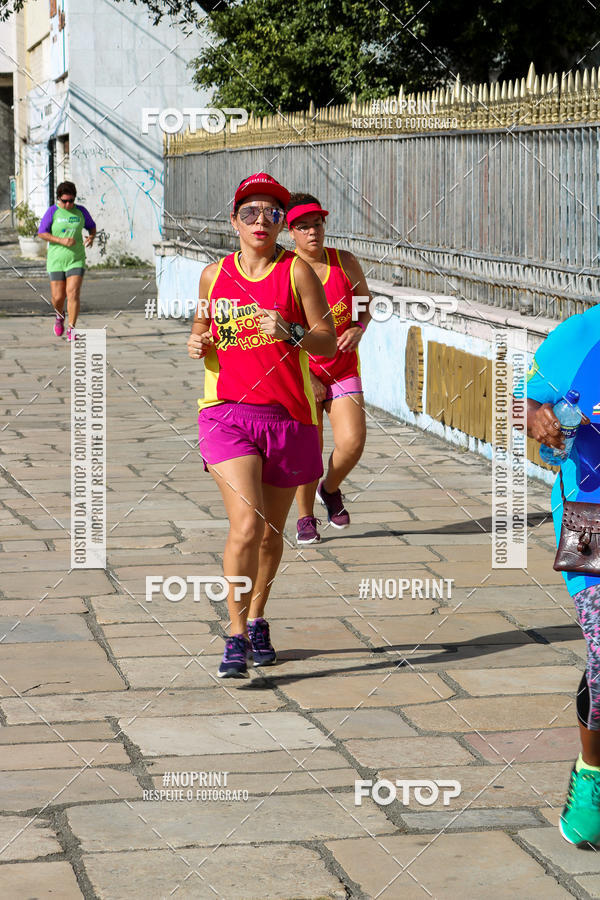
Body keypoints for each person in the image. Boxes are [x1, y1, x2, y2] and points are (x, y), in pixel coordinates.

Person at [187, 173, 336, 678]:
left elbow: (326, 340)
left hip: (288, 416)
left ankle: (256, 618)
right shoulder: (213, 276)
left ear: (280, 223)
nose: (261, 221)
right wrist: (197, 341)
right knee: (246, 525)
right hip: (226, 413)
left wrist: (292, 331)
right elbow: (202, 327)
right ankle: (234, 635)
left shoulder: (297, 273)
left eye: (272, 213)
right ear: (234, 221)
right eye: (250, 212)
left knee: (271, 534)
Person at [522, 304, 600, 846]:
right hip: (587, 514)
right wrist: (537, 419)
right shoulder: (580, 336)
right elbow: (523, 403)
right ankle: (592, 774)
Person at [286, 193, 371, 544]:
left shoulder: (344, 262)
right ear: (290, 231)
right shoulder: (286, 271)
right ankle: (305, 518)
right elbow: (279, 332)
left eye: (317, 224)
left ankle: (330, 489)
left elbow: (364, 302)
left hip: (343, 368)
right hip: (301, 372)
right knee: (309, 451)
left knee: (353, 442)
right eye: (303, 227)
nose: (312, 232)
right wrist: (307, 376)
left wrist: (358, 327)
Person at [38, 181, 96, 341]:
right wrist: (61, 240)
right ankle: (59, 315)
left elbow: (92, 226)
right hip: (56, 260)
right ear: (59, 199)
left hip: (76, 259)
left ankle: (72, 328)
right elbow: (42, 232)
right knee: (58, 297)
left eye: (71, 200)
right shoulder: (53, 211)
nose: (68, 204)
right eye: (65, 201)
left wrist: (91, 237)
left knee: (73, 292)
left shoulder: (81, 211)